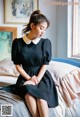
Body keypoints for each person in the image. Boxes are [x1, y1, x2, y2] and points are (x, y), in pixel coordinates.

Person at [12, 10, 59, 117]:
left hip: (42, 77)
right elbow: (17, 65)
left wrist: (36, 79)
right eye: (41, 28)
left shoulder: (45, 43)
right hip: (25, 77)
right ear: (32, 25)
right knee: (28, 95)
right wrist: (29, 79)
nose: (43, 32)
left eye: (45, 29)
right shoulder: (17, 43)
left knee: (41, 99)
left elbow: (45, 64)